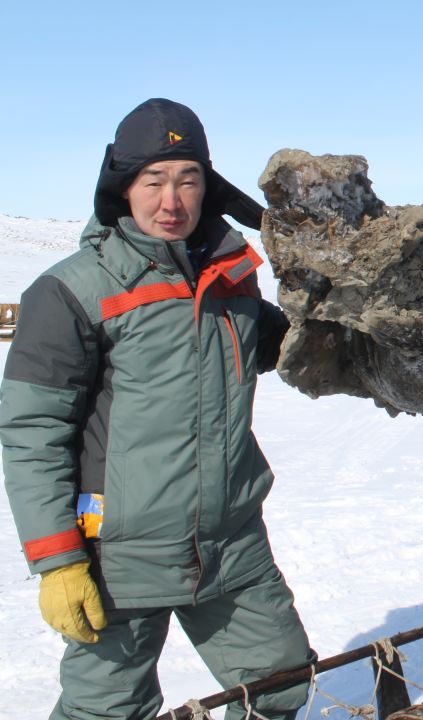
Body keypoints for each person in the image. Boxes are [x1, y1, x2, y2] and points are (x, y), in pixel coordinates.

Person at [1, 99, 313, 720]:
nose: (171, 200)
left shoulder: (232, 283)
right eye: (154, 181)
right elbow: (31, 432)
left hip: (231, 544)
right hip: (119, 554)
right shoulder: (69, 292)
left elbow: (299, 347)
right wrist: (58, 560)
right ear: (124, 188)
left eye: (188, 179)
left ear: (207, 188)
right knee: (107, 711)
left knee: (279, 685)